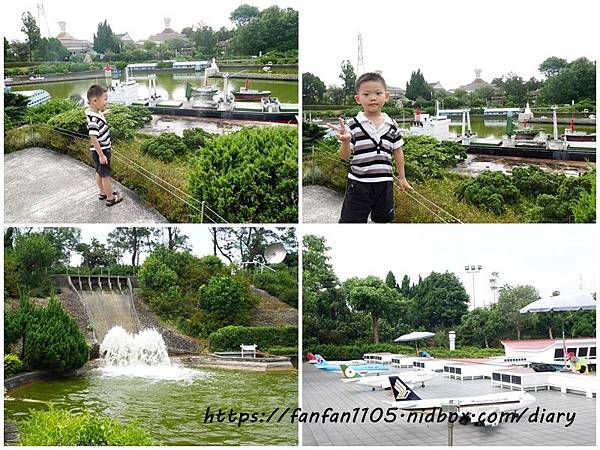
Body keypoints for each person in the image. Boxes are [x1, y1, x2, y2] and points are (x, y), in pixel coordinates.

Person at [329, 72, 412, 223]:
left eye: (378, 93)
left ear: (386, 96)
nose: (372, 98)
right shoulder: (352, 125)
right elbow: (344, 157)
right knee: (351, 222)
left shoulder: (392, 124)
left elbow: (398, 151)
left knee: (383, 221)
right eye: (366, 94)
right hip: (358, 184)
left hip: (385, 183)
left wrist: (402, 177)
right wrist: (346, 141)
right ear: (358, 98)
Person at [86, 85, 123, 206]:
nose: (106, 102)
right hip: (101, 151)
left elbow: (97, 116)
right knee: (106, 175)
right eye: (105, 99)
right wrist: (102, 155)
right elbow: (93, 137)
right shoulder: (93, 120)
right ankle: (110, 198)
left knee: (99, 172)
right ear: (95, 101)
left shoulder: (93, 112)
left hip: (97, 151)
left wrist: (103, 113)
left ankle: (102, 192)